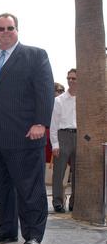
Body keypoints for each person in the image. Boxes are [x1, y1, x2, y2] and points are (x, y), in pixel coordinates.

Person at [0, 13, 55, 244]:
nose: (5, 32)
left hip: (24, 136)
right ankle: (6, 230)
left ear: (17, 29)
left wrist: (41, 123)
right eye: (1, 28)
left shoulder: (35, 56)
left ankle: (33, 234)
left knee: (29, 189)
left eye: (10, 28)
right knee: (1, 189)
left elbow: (45, 91)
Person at [50, 69, 77, 213]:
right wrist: (55, 143)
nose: (71, 81)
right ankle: (58, 202)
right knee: (59, 172)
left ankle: (75, 202)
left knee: (78, 172)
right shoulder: (59, 100)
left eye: (74, 78)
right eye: (69, 78)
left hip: (80, 137)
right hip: (63, 136)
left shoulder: (85, 100)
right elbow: (54, 123)